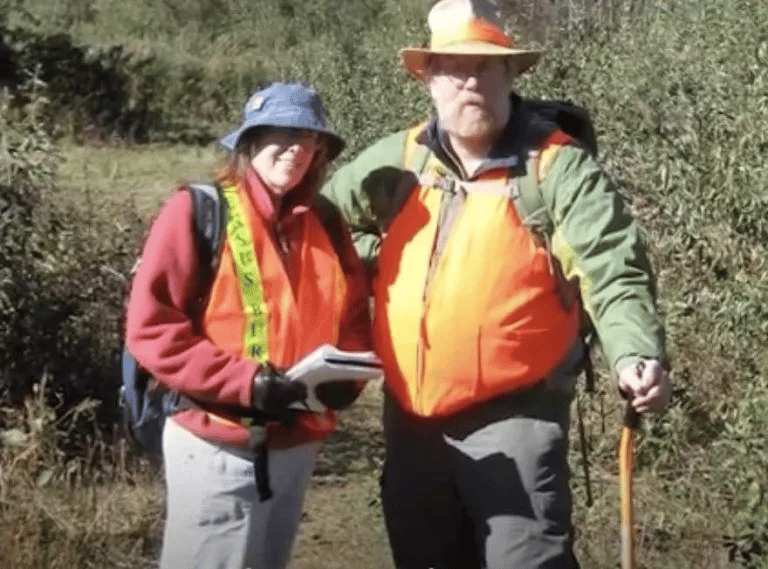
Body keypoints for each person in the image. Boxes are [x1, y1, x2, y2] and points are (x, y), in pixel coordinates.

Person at [321, 0, 671, 567]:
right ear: (428, 77)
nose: (470, 81)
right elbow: (318, 226)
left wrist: (634, 352)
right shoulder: (400, 159)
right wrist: (371, 258)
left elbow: (611, 264)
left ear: (509, 73)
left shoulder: (555, 167)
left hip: (517, 416)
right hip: (410, 420)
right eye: (454, 67)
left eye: (485, 66)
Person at [125, 82, 372, 569]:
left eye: (309, 138)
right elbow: (152, 329)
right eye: (281, 133)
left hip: (297, 441)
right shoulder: (196, 211)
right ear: (250, 141)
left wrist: (349, 376)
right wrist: (248, 383)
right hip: (215, 442)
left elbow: (353, 313)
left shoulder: (325, 220)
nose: (297, 148)